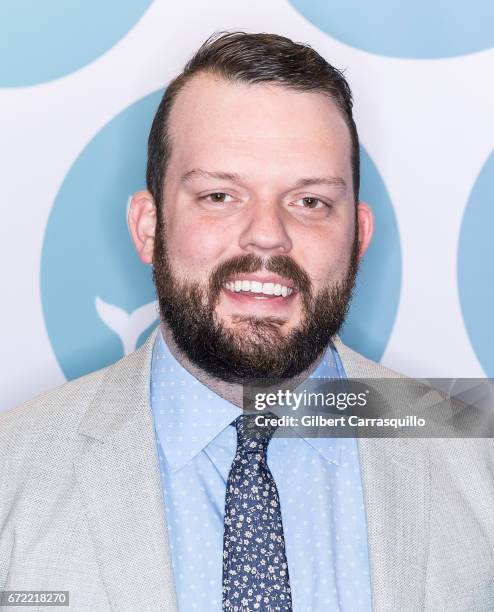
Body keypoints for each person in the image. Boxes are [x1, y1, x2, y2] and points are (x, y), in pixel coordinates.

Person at [1, 32, 493, 612]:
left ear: (358, 236)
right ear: (148, 227)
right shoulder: (15, 470)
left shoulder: (477, 463)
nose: (267, 234)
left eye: (310, 201)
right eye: (219, 196)